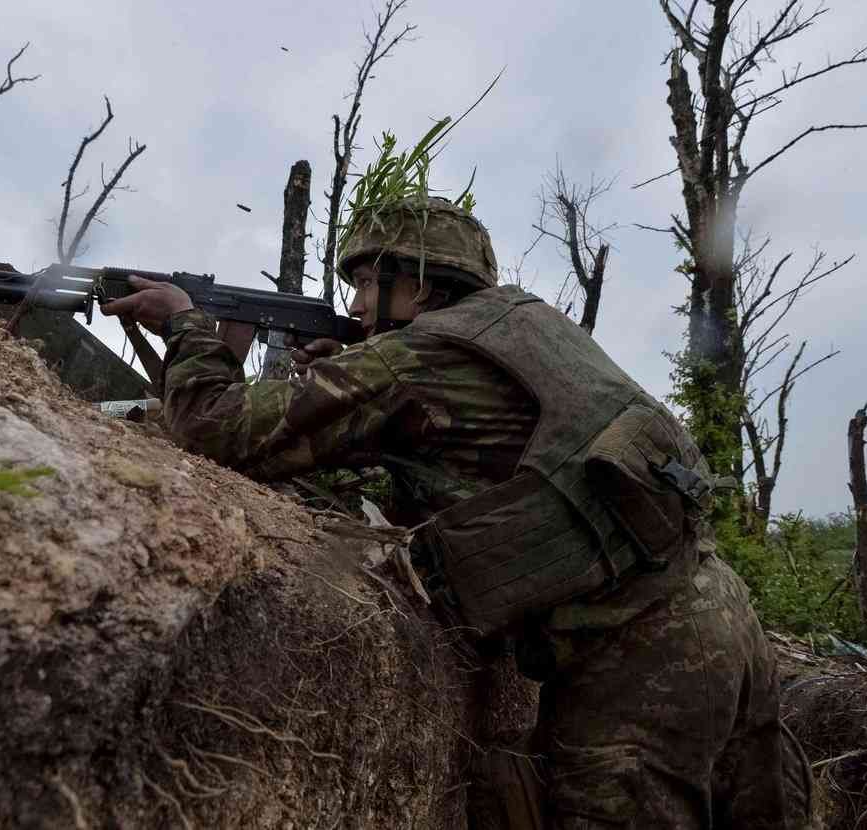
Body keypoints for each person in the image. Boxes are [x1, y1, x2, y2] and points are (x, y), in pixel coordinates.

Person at [102, 197, 813, 828]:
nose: (352, 306)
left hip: (640, 657)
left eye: (365, 284)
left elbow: (218, 431)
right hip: (720, 614)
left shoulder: (415, 359)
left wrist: (189, 329)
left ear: (413, 282)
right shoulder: (526, 327)